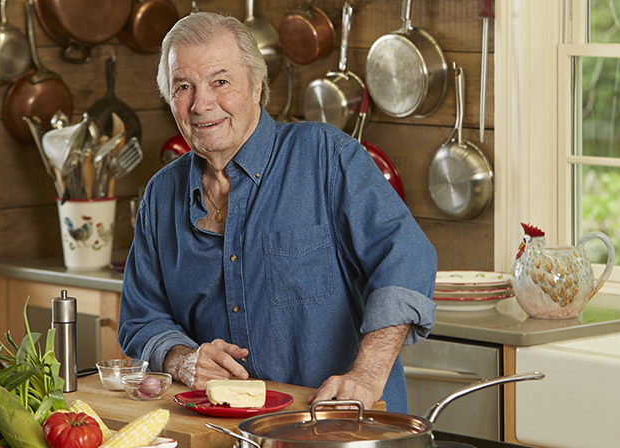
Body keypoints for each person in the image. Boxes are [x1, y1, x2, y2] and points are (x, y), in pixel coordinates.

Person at [117, 11, 437, 413]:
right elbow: (140, 318)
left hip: (335, 425)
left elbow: (406, 258)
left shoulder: (326, 156)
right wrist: (182, 358)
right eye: (184, 86)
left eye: (220, 82)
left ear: (256, 85)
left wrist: (368, 374)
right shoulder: (161, 194)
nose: (202, 104)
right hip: (219, 431)